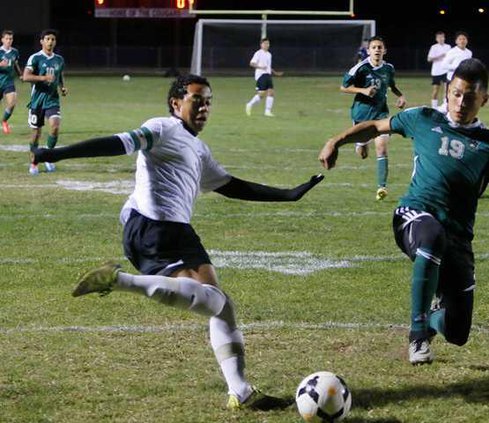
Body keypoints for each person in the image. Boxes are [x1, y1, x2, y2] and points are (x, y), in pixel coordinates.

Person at [32, 74, 323, 408]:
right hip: (150, 227)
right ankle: (118, 280)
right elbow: (117, 142)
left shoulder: (198, 147)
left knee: (220, 305)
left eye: (208, 101)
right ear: (176, 102)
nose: (204, 108)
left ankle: (240, 392)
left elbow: (230, 185)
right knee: (214, 303)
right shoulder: (161, 128)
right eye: (197, 100)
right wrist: (58, 154)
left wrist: (287, 195)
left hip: (179, 230)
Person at [319, 58, 489, 365]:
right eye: (456, 93)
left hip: (458, 240)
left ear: (484, 99)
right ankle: (417, 336)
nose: (461, 102)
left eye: (470, 96)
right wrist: (336, 140)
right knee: (431, 237)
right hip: (414, 216)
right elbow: (376, 126)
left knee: (458, 332)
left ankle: (430, 321)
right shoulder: (423, 118)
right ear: (447, 91)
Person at [341, 35, 407, 201]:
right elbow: (343, 87)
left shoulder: (389, 68)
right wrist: (363, 91)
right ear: (368, 50)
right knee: (363, 154)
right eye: (374, 47)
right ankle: (361, 143)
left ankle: (381, 187)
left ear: (384, 50)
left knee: (382, 148)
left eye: (380, 47)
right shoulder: (359, 68)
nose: (377, 50)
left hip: (381, 114)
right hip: (362, 114)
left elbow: (391, 85)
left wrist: (400, 96)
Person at [23, 29, 67, 175]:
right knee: (36, 133)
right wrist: (43, 78)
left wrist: (62, 87)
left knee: (54, 127)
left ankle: (48, 156)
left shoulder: (59, 59)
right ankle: (34, 162)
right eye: (47, 39)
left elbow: (59, 74)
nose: (50, 42)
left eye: (53, 39)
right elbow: (25, 76)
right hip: (37, 101)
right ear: (42, 41)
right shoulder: (35, 58)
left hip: (52, 99)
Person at [245, 38, 283, 117]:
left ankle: (267, 111)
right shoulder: (258, 53)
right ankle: (249, 104)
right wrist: (260, 67)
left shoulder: (269, 54)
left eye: (268, 44)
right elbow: (252, 63)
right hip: (261, 75)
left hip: (268, 75)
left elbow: (268, 66)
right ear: (261, 45)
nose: (267, 45)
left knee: (271, 92)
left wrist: (275, 72)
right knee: (261, 94)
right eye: (265, 43)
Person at [437, 31, 472, 112]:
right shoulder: (452, 52)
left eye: (464, 39)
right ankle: (441, 115)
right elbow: (443, 65)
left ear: (467, 41)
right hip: (452, 80)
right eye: (460, 39)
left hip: (464, 80)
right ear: (456, 41)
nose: (462, 41)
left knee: (461, 100)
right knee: (449, 100)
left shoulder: (469, 52)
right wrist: (457, 67)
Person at [0, 30, 23, 135]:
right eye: (7, 38)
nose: (9, 41)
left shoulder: (15, 52)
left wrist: (20, 75)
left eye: (11, 39)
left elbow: (15, 64)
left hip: (9, 82)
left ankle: (4, 121)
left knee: (12, 103)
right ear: (2, 40)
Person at [426, 31, 451, 109]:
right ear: (436, 39)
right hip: (436, 71)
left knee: (447, 89)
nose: (441, 39)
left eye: (442, 37)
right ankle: (434, 107)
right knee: (436, 90)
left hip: (446, 70)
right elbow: (429, 59)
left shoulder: (448, 47)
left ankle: (445, 106)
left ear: (444, 38)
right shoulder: (434, 47)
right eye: (439, 37)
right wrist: (440, 56)